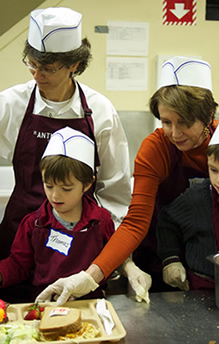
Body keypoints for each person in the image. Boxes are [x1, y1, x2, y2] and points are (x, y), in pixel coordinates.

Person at [36, 56, 219, 304]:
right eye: (166, 122)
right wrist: (90, 277)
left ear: (208, 114)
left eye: (184, 123)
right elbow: (135, 223)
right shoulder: (156, 149)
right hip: (162, 256)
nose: (174, 134)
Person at [0, 7, 131, 262]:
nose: (37, 75)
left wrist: (109, 251)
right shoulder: (10, 105)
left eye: (48, 68)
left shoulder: (100, 111)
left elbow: (115, 190)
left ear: (74, 64)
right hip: (19, 238)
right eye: (32, 64)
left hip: (80, 241)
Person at [0, 127, 151, 303]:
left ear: (87, 184)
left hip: (91, 305)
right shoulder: (34, 223)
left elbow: (114, 257)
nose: (55, 196)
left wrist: (129, 267)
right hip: (46, 304)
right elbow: (19, 265)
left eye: (66, 188)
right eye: (48, 186)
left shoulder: (101, 221)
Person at [156, 114, 219, 290]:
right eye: (213, 170)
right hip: (202, 290)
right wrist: (171, 260)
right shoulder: (196, 198)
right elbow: (167, 222)